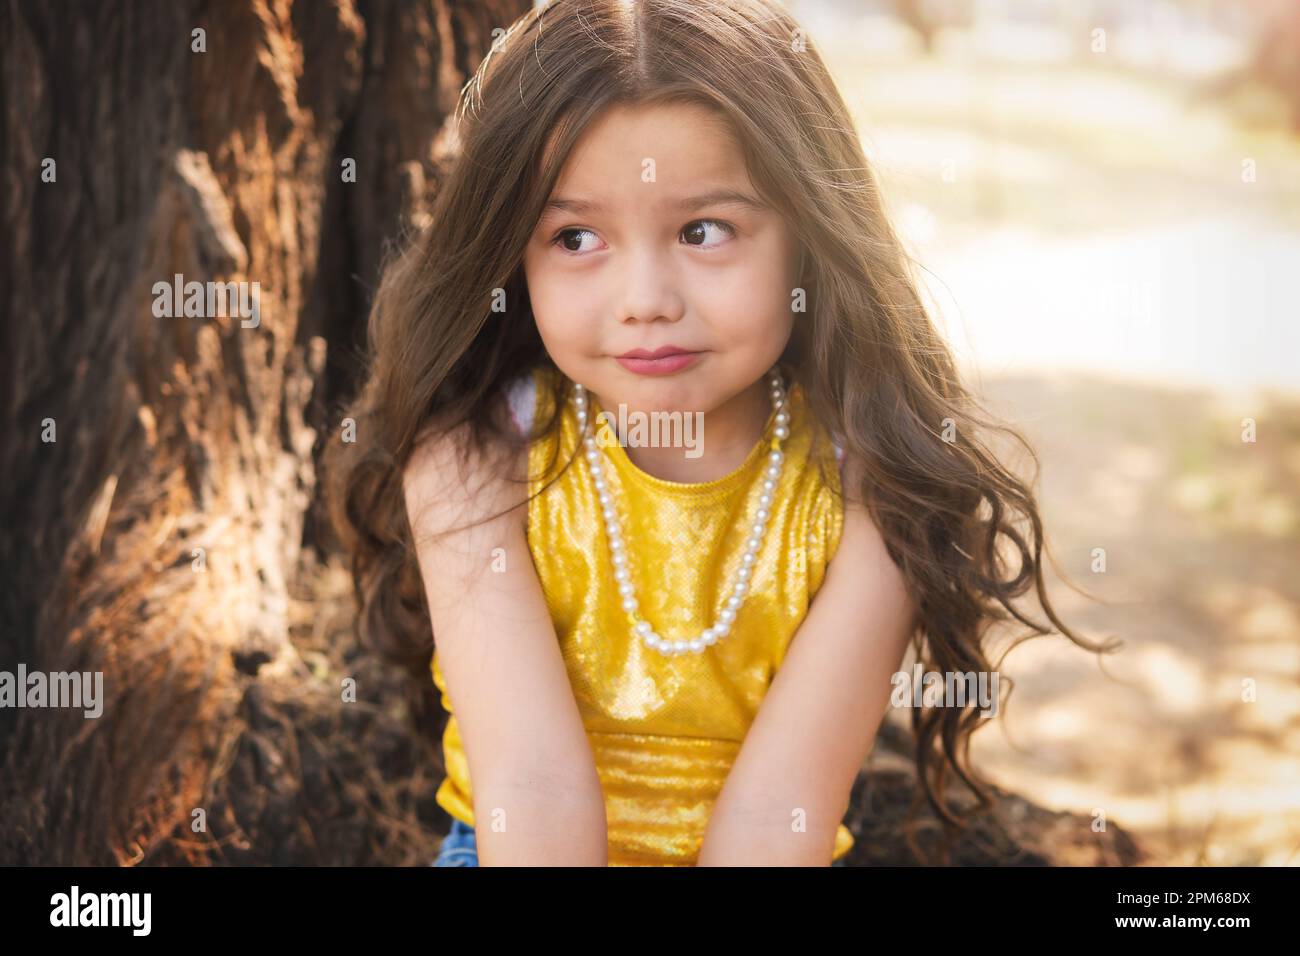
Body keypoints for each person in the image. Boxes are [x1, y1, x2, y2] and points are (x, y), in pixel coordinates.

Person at [328, 0, 1100, 867]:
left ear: (808, 238)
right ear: (514, 255)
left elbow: (782, 814)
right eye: (576, 236)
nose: (646, 296)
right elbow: (532, 794)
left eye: (704, 230)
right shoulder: (475, 456)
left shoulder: (871, 489)